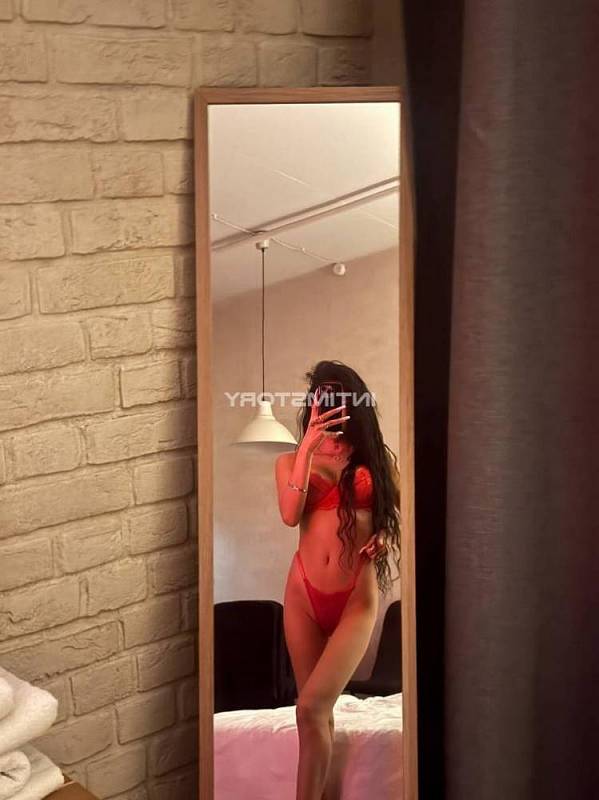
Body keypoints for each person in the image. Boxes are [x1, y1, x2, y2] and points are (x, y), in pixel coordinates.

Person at [275, 360, 401, 800]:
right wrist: (307, 449)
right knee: (314, 716)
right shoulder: (290, 461)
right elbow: (289, 516)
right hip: (302, 595)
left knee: (310, 706)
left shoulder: (378, 461)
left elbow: (401, 514)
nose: (327, 404)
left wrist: (385, 535)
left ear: (352, 403)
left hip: (355, 598)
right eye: (320, 397)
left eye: (336, 396)